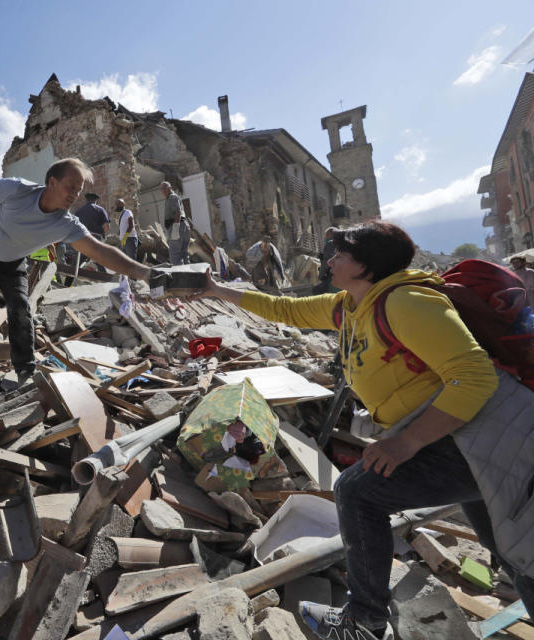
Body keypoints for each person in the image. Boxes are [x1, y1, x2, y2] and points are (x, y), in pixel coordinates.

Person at [193, 220, 534, 640]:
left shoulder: (406, 302)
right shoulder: (352, 305)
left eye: (341, 253)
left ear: (367, 266)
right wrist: (216, 290)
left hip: (488, 433)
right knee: (515, 549)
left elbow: (475, 376)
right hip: (458, 432)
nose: (331, 259)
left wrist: (406, 442)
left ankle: (363, 622)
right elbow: (287, 310)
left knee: (358, 491)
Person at [0, 158, 159, 384]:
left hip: (11, 262)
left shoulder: (66, 224)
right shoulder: (17, 189)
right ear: (51, 182)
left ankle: (25, 371)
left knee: (21, 309)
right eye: (70, 188)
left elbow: (100, 251)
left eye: (78, 191)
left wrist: (144, 272)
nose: (74, 195)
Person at [160, 181, 191, 265]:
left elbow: (177, 212)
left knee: (175, 255)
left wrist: (175, 228)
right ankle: (189, 276)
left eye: (165, 188)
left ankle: (180, 276)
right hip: (184, 225)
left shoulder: (172, 197)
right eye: (161, 189)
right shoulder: (173, 197)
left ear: (170, 188)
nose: (163, 191)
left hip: (177, 225)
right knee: (184, 254)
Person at [313, 226, 338, 294]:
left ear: (330, 234)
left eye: (326, 235)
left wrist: (320, 276)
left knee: (315, 292)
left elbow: (327, 262)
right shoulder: (343, 243)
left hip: (333, 277)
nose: (325, 238)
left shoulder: (331, 243)